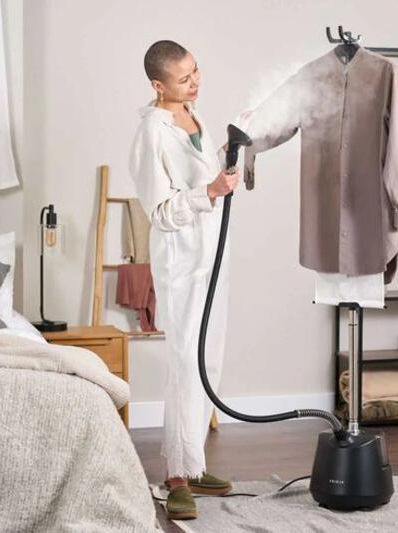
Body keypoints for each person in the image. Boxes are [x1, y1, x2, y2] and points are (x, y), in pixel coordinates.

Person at [129, 40, 238, 521]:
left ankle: (194, 465)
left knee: (208, 358)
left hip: (213, 255)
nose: (195, 83)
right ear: (158, 85)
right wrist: (209, 190)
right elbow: (160, 211)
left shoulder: (193, 116)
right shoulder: (152, 132)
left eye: (196, 72)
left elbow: (206, 178)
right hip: (180, 261)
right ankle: (175, 477)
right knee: (183, 364)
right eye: (184, 78)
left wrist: (225, 162)